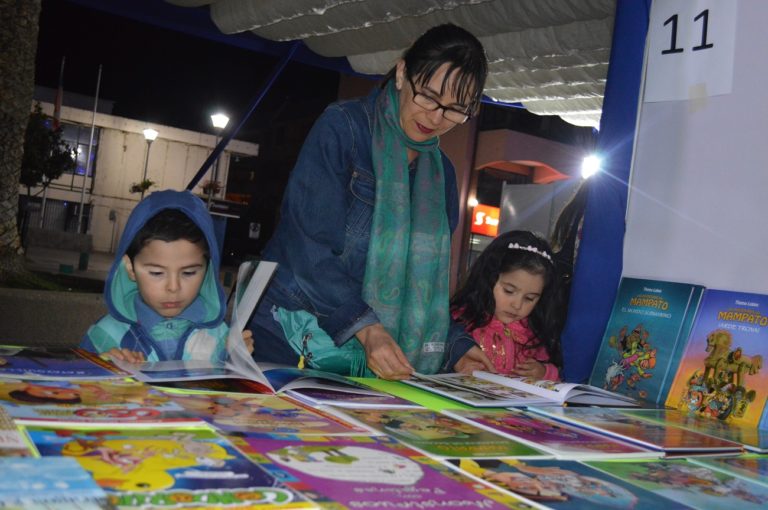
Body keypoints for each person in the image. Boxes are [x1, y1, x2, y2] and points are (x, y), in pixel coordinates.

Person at [247, 23, 493, 380]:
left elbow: (423, 290)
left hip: (376, 356)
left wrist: (458, 348)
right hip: (292, 335)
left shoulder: (443, 175)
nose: (436, 117)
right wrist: (366, 328)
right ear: (402, 72)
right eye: (428, 95)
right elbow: (308, 251)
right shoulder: (343, 130)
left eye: (456, 109)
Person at [81, 190, 246, 363]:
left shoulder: (222, 338)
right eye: (157, 273)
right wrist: (100, 370)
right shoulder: (104, 337)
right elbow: (72, 384)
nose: (173, 287)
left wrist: (237, 363)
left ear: (208, 270)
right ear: (130, 268)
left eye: (189, 272)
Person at [450, 230, 563, 380]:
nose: (517, 305)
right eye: (509, 291)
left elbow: (557, 371)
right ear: (489, 279)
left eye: (530, 298)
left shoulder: (535, 334)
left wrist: (544, 372)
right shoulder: (460, 319)